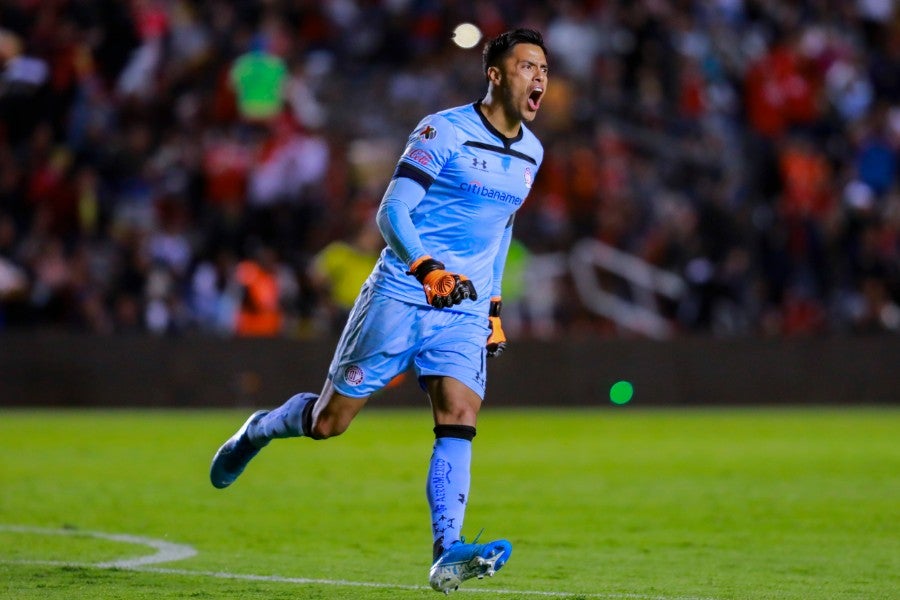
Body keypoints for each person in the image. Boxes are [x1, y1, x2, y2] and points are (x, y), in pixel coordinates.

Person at [209, 28, 548, 594]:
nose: (538, 77)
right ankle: (256, 431)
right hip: (403, 290)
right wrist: (426, 269)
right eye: (526, 66)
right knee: (329, 422)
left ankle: (447, 551)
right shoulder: (444, 130)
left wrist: (491, 308)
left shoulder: (533, 153)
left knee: (459, 413)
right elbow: (391, 212)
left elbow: (499, 232)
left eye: (544, 67)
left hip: (461, 308)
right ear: (495, 74)